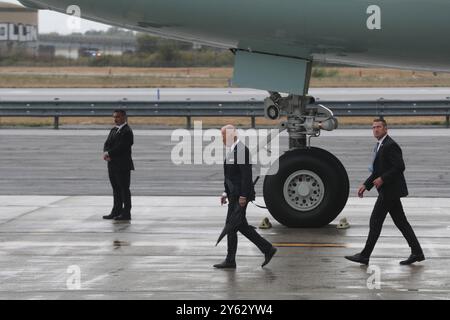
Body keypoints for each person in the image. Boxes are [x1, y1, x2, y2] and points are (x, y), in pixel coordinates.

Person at [345, 119, 424, 265]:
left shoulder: (390, 145)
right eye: (373, 127)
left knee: (375, 221)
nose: (376, 130)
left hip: (390, 191)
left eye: (379, 127)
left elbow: (399, 167)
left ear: (385, 129)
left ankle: (365, 255)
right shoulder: (380, 145)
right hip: (389, 191)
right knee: (401, 223)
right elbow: (378, 171)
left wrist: (382, 179)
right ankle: (417, 252)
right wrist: (366, 185)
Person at [214, 124, 277, 269]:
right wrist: (225, 193)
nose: (222, 139)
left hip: (240, 196)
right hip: (234, 195)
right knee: (239, 226)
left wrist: (243, 196)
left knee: (231, 226)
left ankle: (231, 260)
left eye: (223, 136)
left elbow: (246, 176)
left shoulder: (242, 151)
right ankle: (267, 249)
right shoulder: (233, 150)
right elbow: (231, 175)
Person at [102, 110, 135, 221]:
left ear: (124, 117)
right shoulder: (114, 130)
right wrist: (106, 153)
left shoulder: (127, 131)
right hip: (112, 164)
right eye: (114, 117)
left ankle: (126, 212)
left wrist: (109, 153)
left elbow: (122, 147)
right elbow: (107, 144)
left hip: (122, 165)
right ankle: (116, 210)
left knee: (124, 189)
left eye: (118, 117)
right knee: (115, 189)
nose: (116, 119)